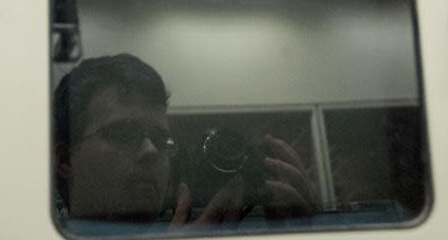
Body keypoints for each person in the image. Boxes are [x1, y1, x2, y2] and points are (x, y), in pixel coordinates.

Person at [52, 53, 317, 228]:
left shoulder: (204, 234)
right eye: (123, 134)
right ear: (65, 160)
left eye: (161, 139)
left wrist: (303, 239)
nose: (151, 151)